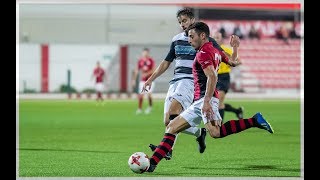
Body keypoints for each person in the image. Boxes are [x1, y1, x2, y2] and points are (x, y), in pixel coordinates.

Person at [144, 22, 274, 173]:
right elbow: (233, 62)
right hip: (202, 100)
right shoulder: (214, 50)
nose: (189, 40)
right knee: (178, 128)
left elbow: (212, 77)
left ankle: (254, 120)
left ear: (203, 35)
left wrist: (206, 102)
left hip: (205, 99)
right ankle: (152, 164)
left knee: (203, 131)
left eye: (192, 37)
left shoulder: (203, 53)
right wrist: (235, 48)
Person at [144, 8, 227, 160]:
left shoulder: (203, 39)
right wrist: (150, 79)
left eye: (185, 21)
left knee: (174, 116)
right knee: (168, 121)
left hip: (190, 81)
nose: (182, 24)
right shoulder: (176, 39)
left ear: (192, 20)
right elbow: (166, 62)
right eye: (180, 22)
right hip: (175, 81)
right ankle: (199, 133)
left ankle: (167, 150)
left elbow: (221, 54)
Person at [213, 32, 244, 120]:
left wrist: (232, 63)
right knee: (215, 102)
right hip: (213, 77)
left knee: (219, 102)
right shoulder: (210, 50)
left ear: (221, 39)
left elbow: (239, 61)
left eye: (218, 37)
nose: (216, 39)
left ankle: (219, 127)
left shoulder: (226, 50)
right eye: (214, 37)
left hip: (223, 77)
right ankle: (237, 111)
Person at [131, 48, 156, 114]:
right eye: (144, 52)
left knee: (149, 94)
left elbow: (154, 70)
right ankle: (139, 109)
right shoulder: (140, 61)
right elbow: (136, 71)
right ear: (142, 53)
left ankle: (150, 107)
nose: (145, 54)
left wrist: (146, 74)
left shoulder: (151, 60)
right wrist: (133, 80)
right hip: (142, 81)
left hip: (150, 80)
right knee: (141, 95)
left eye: (146, 52)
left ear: (148, 53)